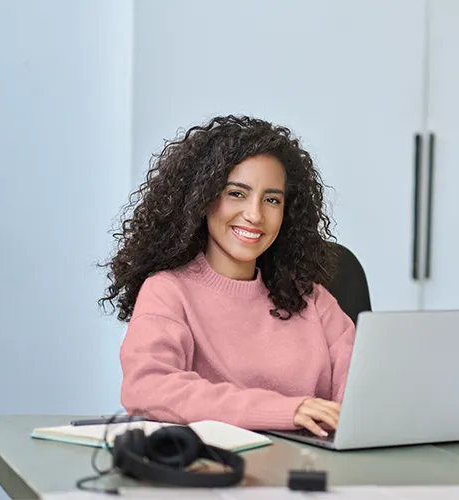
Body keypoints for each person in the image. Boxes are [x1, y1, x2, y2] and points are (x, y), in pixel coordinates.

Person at [99, 115, 355, 437]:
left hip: (314, 473)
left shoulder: (312, 299)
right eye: (236, 193)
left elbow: (364, 393)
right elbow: (147, 388)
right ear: (203, 199)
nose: (254, 214)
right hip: (217, 475)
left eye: (272, 199)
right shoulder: (168, 291)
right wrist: (288, 411)